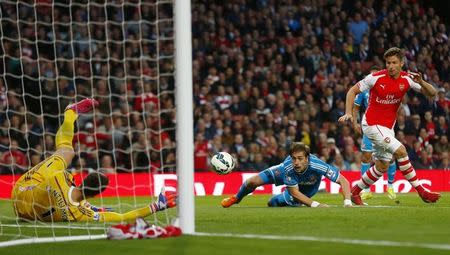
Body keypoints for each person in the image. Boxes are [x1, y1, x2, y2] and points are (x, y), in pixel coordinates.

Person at [12, 98, 176, 222]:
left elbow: (63, 191)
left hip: (21, 190)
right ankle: (70, 114)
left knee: (66, 151)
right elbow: (122, 217)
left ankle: (70, 113)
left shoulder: (60, 177)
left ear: (83, 180)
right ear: (95, 195)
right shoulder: (81, 214)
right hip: (22, 212)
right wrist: (156, 206)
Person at [338, 47, 440, 205]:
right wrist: (349, 113)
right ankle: (422, 191)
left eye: (394, 62)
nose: (390, 66)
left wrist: (421, 82)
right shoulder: (375, 77)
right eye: (388, 63)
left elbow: (433, 93)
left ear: (401, 63)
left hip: (387, 128)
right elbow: (352, 91)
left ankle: (355, 192)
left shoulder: (407, 79)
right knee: (401, 151)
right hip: (371, 124)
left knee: (382, 166)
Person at [222, 142, 352, 208]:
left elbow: (343, 181)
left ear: (307, 158)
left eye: (300, 158)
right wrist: (316, 205)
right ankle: (236, 198)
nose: (296, 162)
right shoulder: (288, 166)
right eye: (293, 158)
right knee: (251, 181)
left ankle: (285, 200)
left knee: (272, 203)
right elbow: (294, 191)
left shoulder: (318, 165)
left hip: (307, 190)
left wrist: (347, 202)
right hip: (285, 176)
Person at [352, 66, 397, 201]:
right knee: (366, 157)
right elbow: (356, 107)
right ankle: (366, 190)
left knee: (391, 157)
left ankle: (390, 187)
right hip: (370, 126)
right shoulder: (364, 90)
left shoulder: (388, 87)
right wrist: (355, 123)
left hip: (385, 127)